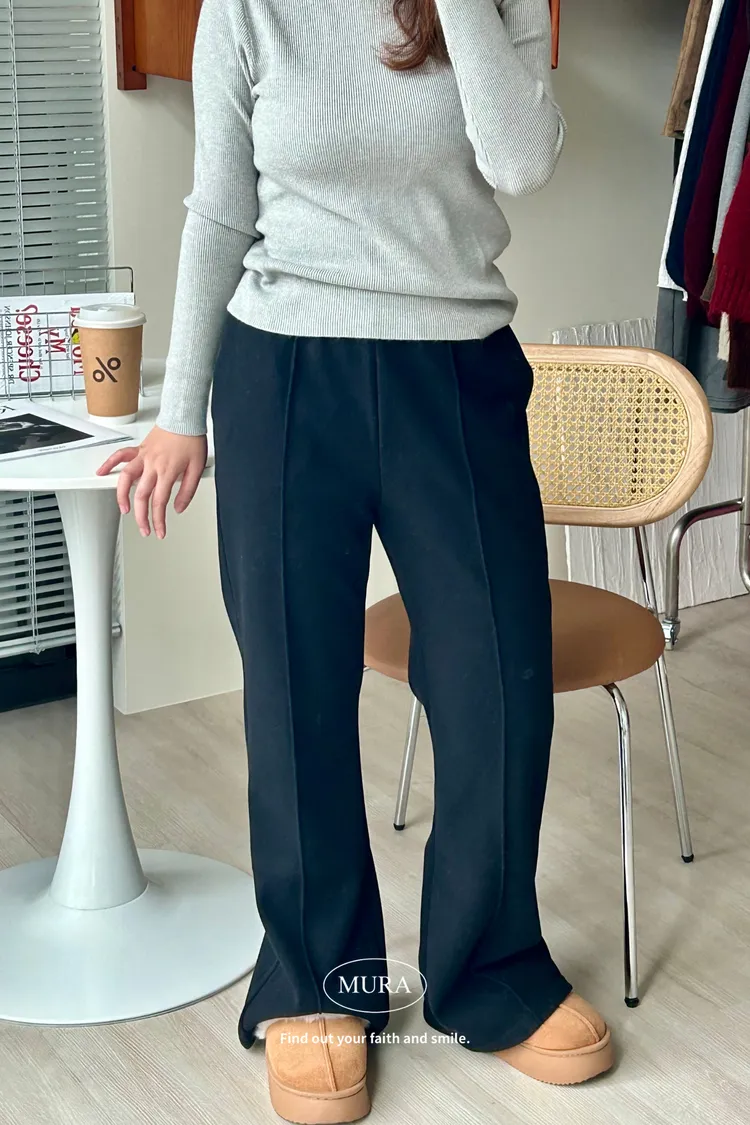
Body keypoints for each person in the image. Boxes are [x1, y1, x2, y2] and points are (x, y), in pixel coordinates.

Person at [98, 0, 614, 1120]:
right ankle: (321, 983)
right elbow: (219, 208)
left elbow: (521, 162)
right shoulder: (250, 8)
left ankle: (493, 971)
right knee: (296, 692)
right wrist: (180, 412)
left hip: (456, 374)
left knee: (498, 684)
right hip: (284, 373)